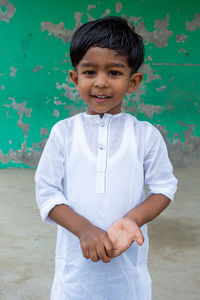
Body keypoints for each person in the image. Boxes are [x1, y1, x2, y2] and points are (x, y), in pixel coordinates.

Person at [35, 16, 178, 300]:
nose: (101, 83)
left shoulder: (145, 135)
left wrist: (133, 219)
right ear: (75, 78)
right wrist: (84, 230)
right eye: (90, 73)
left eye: (114, 73)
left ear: (133, 81)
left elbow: (164, 188)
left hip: (128, 278)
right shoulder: (63, 133)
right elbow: (47, 192)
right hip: (74, 279)